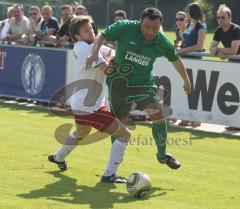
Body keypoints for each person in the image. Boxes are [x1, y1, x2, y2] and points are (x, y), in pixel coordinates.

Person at [86, 7, 192, 171]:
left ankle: (162, 154)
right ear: (140, 22)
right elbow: (102, 35)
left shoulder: (162, 41)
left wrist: (186, 80)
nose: (150, 32)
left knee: (158, 115)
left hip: (144, 85)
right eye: (147, 27)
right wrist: (94, 53)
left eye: (155, 29)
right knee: (120, 126)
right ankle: (112, 171)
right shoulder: (125, 27)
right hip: (119, 84)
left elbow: (176, 61)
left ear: (160, 26)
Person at [48, 15, 130, 183]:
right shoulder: (84, 49)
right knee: (124, 134)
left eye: (91, 28)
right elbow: (107, 70)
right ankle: (109, 174)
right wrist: (115, 62)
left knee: (81, 132)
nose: (91, 31)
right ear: (77, 36)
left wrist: (111, 55)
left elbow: (113, 53)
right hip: (88, 106)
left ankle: (58, 157)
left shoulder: (93, 46)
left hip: (85, 103)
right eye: (86, 30)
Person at [210, 4, 240, 131]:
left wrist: (219, 50)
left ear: (229, 18)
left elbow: (233, 50)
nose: (220, 20)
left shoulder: (236, 29)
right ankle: (235, 122)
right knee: (235, 95)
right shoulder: (218, 30)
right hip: (233, 64)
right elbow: (211, 49)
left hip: (237, 62)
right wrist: (220, 53)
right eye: (218, 17)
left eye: (223, 17)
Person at [176, 3, 207, 127]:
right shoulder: (188, 25)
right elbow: (184, 42)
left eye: (187, 11)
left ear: (192, 12)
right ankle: (185, 117)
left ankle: (197, 119)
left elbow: (199, 46)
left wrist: (182, 51)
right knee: (186, 89)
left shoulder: (202, 26)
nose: (186, 13)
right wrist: (178, 47)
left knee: (195, 91)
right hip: (185, 61)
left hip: (195, 61)